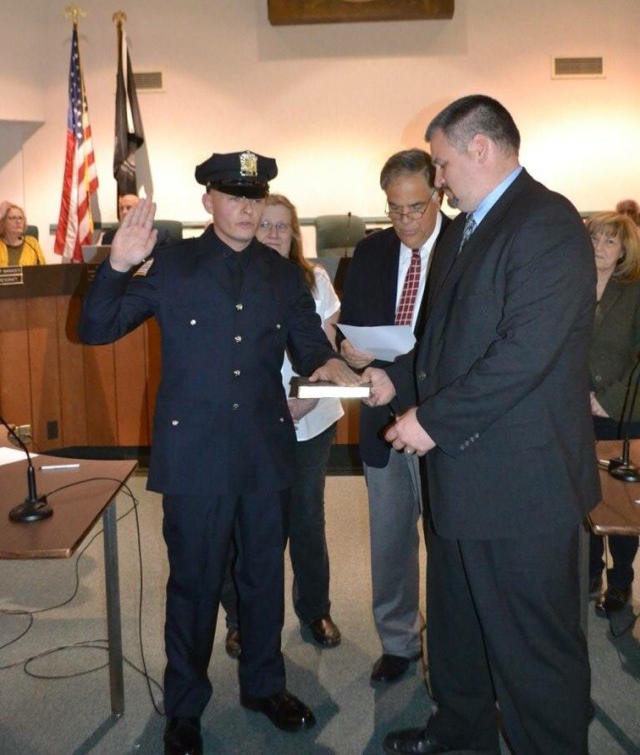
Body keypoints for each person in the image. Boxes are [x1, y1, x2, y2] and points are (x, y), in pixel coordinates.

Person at [77, 151, 361, 755]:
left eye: (254, 198)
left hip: (263, 451)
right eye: (234, 196)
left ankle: (264, 686)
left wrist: (333, 365)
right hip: (195, 455)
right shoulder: (173, 265)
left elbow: (309, 344)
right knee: (194, 584)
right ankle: (184, 707)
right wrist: (117, 266)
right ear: (208, 201)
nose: (246, 208)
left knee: (262, 578)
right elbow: (96, 329)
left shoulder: (281, 274)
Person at [363, 96, 600, 755]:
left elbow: (525, 354)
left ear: (481, 148)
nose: (437, 180)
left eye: (441, 164)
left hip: (520, 487)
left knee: (533, 651)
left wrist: (432, 419)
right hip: (465, 477)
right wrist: (398, 380)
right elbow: (446, 339)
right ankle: (460, 732)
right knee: (458, 626)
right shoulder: (471, 227)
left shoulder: (546, 223)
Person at [338, 149, 448, 684]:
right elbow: (355, 323)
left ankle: (449, 649)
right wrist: (350, 350)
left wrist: (398, 375)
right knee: (390, 540)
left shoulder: (465, 247)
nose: (405, 220)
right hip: (381, 418)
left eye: (416, 208)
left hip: (440, 422)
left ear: (439, 196)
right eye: (394, 209)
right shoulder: (371, 251)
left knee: (448, 542)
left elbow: (458, 343)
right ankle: (399, 641)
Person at [222, 193, 343, 657]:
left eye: (282, 226)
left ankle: (315, 610)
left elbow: (323, 353)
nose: (273, 233)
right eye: (265, 224)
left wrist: (304, 403)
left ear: (295, 234)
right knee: (247, 525)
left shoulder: (315, 281)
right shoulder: (231, 280)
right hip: (250, 425)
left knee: (306, 519)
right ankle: (241, 620)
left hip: (309, 419)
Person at [586, 211, 640, 614]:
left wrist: (609, 398)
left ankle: (621, 580)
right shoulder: (571, 282)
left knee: (620, 500)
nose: (599, 248)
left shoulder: (635, 290)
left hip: (622, 409)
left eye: (609, 241)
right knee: (584, 493)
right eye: (594, 239)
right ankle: (589, 571)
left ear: (623, 250)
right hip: (575, 408)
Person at [101, 193, 173, 246]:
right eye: (121, 208)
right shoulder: (108, 238)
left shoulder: (159, 236)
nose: (124, 212)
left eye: (129, 207)